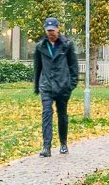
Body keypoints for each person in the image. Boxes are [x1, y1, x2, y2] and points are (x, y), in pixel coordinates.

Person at [33, 16, 79, 156]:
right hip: (46, 86)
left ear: (58, 29)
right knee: (46, 114)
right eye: (48, 30)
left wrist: (70, 85)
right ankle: (46, 147)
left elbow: (73, 67)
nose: (50, 33)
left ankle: (63, 143)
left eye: (53, 30)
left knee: (62, 115)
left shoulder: (67, 45)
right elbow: (37, 67)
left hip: (62, 86)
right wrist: (37, 86)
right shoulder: (40, 46)